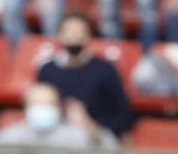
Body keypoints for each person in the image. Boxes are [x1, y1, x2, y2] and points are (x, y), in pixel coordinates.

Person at [37, 12, 134, 140]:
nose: (74, 35)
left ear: (88, 36)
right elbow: (37, 106)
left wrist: (88, 123)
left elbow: (124, 118)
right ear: (59, 35)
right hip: (53, 135)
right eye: (69, 31)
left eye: (79, 31)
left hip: (95, 137)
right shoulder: (47, 70)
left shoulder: (106, 70)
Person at [0, 81, 110, 148]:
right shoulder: (10, 136)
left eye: (48, 104)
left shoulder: (75, 134)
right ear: (26, 108)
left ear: (58, 107)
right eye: (37, 103)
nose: (42, 108)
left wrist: (88, 125)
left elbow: (111, 149)